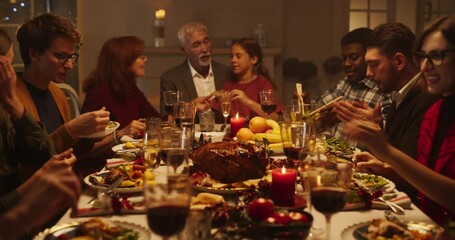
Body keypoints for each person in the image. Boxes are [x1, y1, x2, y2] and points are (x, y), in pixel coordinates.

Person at [344, 16, 455, 224]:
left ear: (399, 61)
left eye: (437, 56)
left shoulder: (428, 102)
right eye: (423, 56)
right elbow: (420, 177)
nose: (425, 66)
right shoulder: (436, 112)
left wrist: (382, 146)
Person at [1, 29, 81, 238]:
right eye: (7, 66)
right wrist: (41, 178)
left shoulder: (56, 94)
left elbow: (46, 151)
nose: (10, 75)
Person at [15, 13, 110, 156]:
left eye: (71, 57)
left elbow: (67, 151)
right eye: (61, 56)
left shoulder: (57, 94)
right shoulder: (12, 99)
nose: (70, 65)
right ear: (34, 54)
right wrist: (71, 129)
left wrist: (89, 134)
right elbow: (24, 162)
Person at [79, 36, 161, 174]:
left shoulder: (130, 90)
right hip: (101, 171)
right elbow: (85, 151)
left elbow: (157, 121)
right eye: (140, 56)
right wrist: (121, 133)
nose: (145, 59)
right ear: (124, 60)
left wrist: (189, 108)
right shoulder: (98, 94)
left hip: (126, 163)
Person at [319, 28, 391, 138]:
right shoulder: (345, 83)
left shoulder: (383, 88)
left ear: (368, 56)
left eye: (354, 57)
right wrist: (309, 104)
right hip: (334, 153)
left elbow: (391, 135)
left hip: (362, 155)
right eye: (344, 58)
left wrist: (378, 124)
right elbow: (320, 105)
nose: (346, 64)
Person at [160, 21, 233, 122]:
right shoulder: (171, 78)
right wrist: (192, 107)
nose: (204, 49)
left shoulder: (227, 73)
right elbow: (168, 120)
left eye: (206, 42)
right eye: (196, 45)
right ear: (184, 50)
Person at [220, 37, 281, 120]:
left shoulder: (263, 84)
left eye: (238, 56)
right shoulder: (228, 85)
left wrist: (248, 101)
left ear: (253, 59)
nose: (233, 60)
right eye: (231, 56)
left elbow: (275, 117)